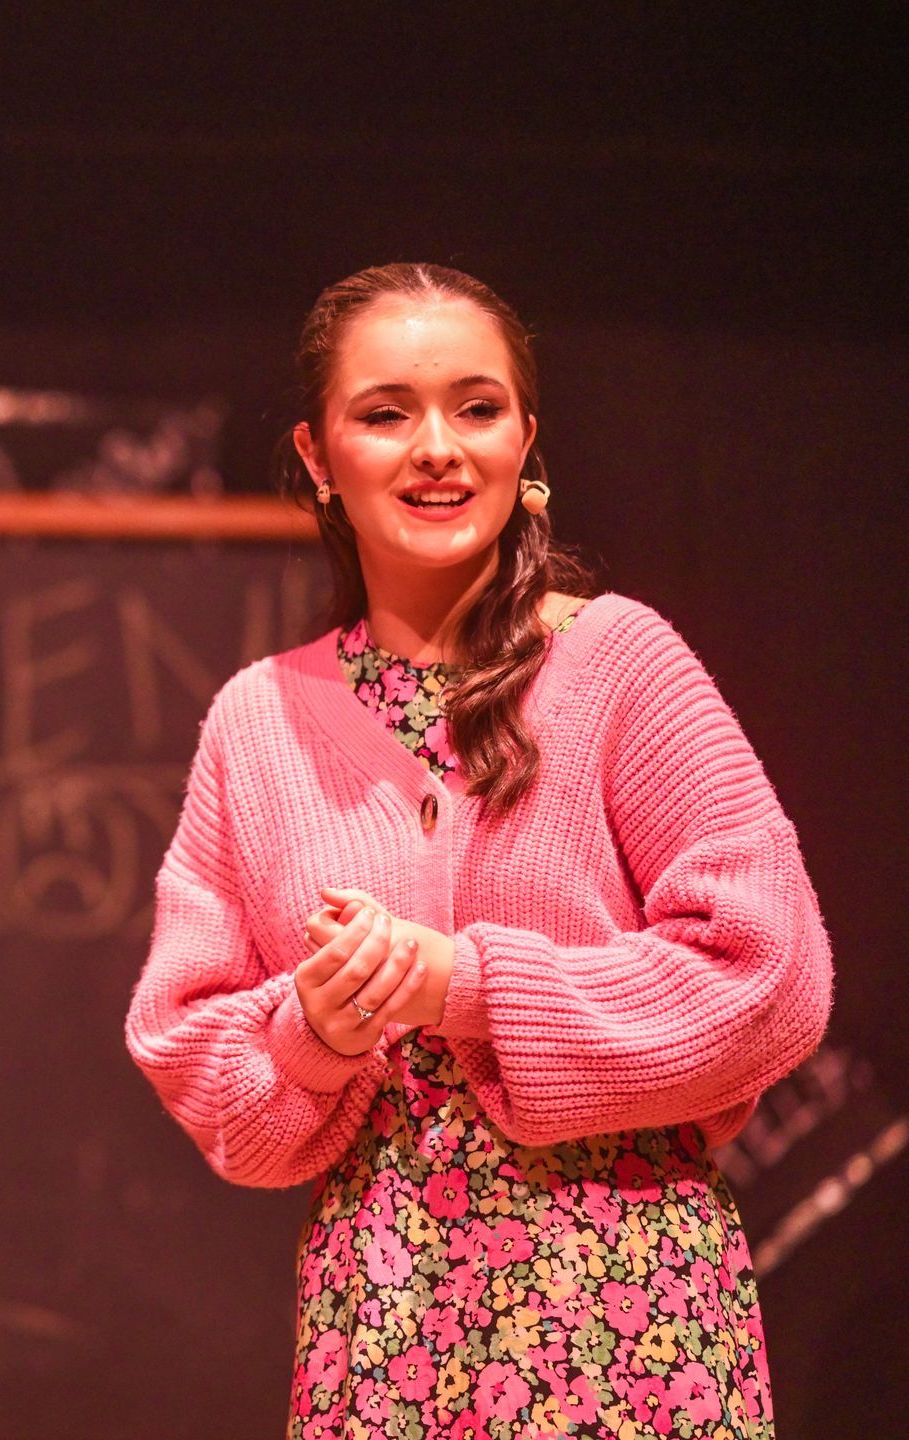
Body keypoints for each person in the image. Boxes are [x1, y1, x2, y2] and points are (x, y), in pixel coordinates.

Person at [125, 263, 831, 1438]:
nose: (438, 449)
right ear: (316, 454)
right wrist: (316, 1030)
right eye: (386, 413)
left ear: (526, 442)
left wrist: (466, 985)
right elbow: (194, 1053)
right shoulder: (260, 721)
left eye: (477, 407)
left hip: (630, 1315)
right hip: (383, 1321)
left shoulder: (620, 664)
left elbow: (772, 980)